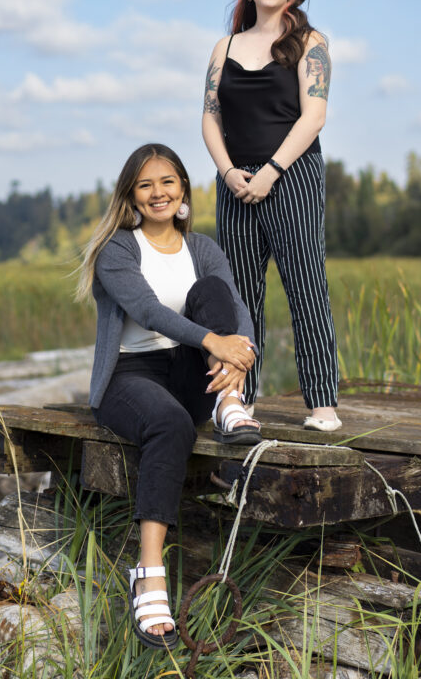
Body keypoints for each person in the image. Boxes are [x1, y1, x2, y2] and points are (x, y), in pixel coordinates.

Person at [76, 143, 260, 649]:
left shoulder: (201, 247)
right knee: (171, 424)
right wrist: (214, 342)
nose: (158, 193)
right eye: (145, 184)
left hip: (193, 373)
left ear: (182, 189)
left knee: (216, 295)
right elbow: (150, 311)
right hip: (130, 378)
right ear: (131, 195)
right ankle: (149, 569)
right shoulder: (118, 249)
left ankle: (229, 401)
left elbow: (235, 309)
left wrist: (239, 353)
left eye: (167, 182)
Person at [202, 0, 340, 432]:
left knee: (306, 286)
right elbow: (210, 118)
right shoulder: (226, 48)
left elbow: (315, 116)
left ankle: (322, 405)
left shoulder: (311, 42)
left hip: (293, 175)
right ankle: (241, 398)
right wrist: (227, 171)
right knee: (239, 295)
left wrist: (272, 171)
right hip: (235, 182)